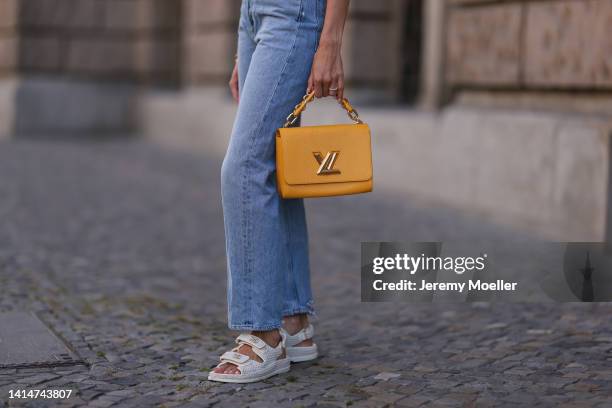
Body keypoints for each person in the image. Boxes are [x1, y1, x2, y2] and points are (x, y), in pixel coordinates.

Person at [208, 0, 349, 383]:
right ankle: (292, 320)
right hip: (253, 16)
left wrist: (331, 40)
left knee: (244, 168)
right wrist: (245, 42)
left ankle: (262, 333)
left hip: (295, 13)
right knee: (275, 166)